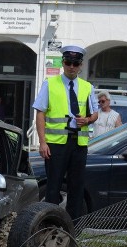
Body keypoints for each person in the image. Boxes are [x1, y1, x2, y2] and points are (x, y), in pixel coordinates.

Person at [33, 45, 98, 220]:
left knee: (76, 187)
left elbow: (95, 114)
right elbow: (40, 112)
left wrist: (88, 120)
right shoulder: (50, 83)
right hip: (56, 144)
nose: (71, 67)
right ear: (63, 63)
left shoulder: (87, 87)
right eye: (68, 62)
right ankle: (50, 224)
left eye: (75, 64)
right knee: (53, 187)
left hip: (79, 143)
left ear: (81, 65)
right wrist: (42, 142)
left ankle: (72, 227)